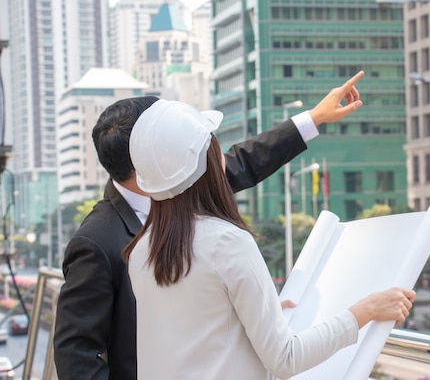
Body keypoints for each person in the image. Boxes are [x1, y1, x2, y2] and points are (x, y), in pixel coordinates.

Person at [53, 72, 367, 380]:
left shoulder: (184, 186)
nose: (216, 160)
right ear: (149, 162)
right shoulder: (98, 241)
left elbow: (245, 161)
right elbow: (76, 353)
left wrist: (313, 118)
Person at [122, 99, 416, 380]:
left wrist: (260, 308)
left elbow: (198, 334)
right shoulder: (225, 242)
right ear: (209, 165)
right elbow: (286, 359)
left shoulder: (141, 250)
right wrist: (365, 311)